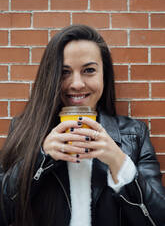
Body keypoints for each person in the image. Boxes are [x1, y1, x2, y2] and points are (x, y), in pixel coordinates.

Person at [0, 24, 165, 226]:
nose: (76, 83)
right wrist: (40, 158)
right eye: (64, 72)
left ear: (104, 75)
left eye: (89, 70)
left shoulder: (134, 134)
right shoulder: (24, 129)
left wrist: (119, 163)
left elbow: (157, 221)